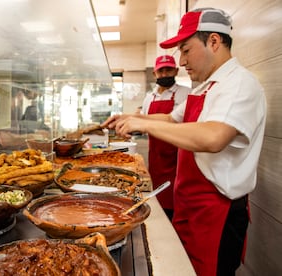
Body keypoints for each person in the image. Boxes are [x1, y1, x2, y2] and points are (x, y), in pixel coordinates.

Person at [102, 8, 266, 276]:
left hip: (217, 212)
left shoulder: (239, 84)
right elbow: (171, 119)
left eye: (186, 50)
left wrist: (142, 123)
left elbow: (214, 137)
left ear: (214, 41)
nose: (182, 61)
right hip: (189, 202)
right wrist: (129, 117)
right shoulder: (206, 86)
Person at [140, 55, 191, 220]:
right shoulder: (150, 97)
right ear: (155, 73)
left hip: (177, 158)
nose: (165, 74)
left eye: (168, 69)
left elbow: (180, 123)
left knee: (176, 203)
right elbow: (142, 122)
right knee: (157, 201)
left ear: (176, 70)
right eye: (161, 70)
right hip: (156, 157)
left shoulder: (186, 93)